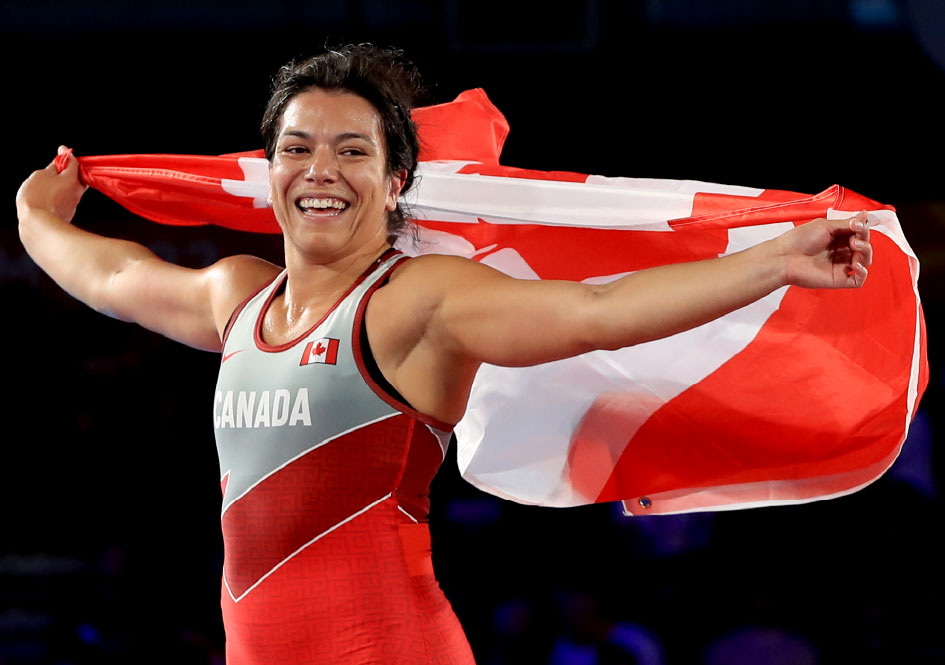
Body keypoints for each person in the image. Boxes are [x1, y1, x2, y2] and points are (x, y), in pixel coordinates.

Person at [15, 44, 872, 665]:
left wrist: (770, 262)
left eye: (353, 150)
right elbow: (116, 275)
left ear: (393, 183)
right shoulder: (238, 297)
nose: (322, 168)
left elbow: (593, 311)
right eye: (298, 147)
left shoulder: (414, 302)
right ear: (267, 171)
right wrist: (36, 215)